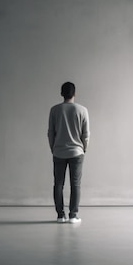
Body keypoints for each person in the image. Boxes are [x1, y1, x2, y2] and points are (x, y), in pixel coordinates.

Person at [48, 82, 90, 224]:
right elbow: (86, 134)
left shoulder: (55, 110)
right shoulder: (82, 110)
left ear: (62, 93)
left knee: (58, 184)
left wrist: (53, 148)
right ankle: (73, 215)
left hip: (59, 151)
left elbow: (50, 133)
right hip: (77, 152)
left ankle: (60, 215)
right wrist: (83, 148)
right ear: (75, 93)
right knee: (75, 184)